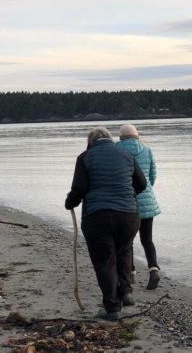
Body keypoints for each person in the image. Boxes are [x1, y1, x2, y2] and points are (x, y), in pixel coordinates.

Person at [65, 127, 146, 322]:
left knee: (105, 261)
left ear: (90, 142)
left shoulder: (85, 157)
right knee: (124, 250)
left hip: (98, 216)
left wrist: (70, 202)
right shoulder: (126, 154)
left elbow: (80, 188)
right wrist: (126, 194)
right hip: (128, 215)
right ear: (110, 139)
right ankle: (126, 292)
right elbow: (142, 184)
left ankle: (112, 308)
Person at [116, 125, 162, 290]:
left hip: (126, 202)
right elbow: (152, 175)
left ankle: (131, 273)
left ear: (121, 138)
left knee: (127, 240)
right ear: (137, 137)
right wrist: (146, 189)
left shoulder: (116, 150)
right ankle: (154, 270)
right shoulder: (147, 150)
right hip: (147, 200)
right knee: (147, 239)